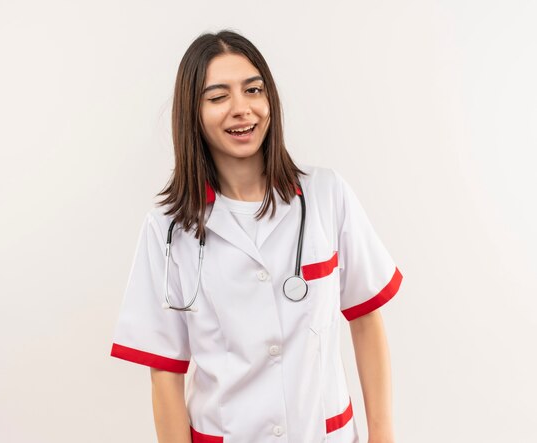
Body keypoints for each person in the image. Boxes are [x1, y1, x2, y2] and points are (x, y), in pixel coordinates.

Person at [110, 29, 403, 443]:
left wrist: (383, 435)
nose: (242, 109)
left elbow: (366, 317)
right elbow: (165, 374)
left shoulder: (326, 195)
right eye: (218, 97)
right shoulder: (168, 228)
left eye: (253, 90)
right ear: (192, 113)